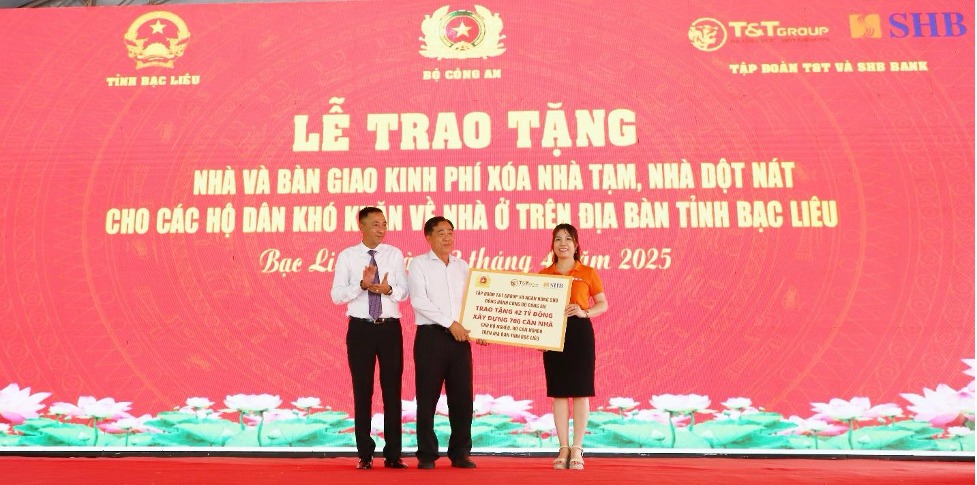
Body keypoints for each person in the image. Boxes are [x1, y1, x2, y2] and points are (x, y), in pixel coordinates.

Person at [330, 207, 409, 470]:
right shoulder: (347, 256)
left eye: (384, 224)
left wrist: (388, 289)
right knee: (362, 391)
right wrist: (361, 286)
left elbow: (404, 292)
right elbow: (336, 295)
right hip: (360, 330)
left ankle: (393, 454)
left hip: (389, 329)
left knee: (392, 391)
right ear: (361, 227)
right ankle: (365, 453)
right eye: (375, 224)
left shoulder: (394, 254)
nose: (381, 229)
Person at [408, 216, 481, 470]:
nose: (447, 237)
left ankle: (460, 452)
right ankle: (427, 454)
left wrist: (481, 328)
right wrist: (450, 323)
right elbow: (419, 301)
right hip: (431, 337)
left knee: (462, 398)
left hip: (460, 339)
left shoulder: (462, 266)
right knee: (427, 397)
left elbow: (473, 302)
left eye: (450, 232)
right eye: (441, 233)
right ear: (428, 237)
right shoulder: (418, 265)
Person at [541, 223, 608, 471]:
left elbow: (602, 303)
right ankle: (563, 448)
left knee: (580, 391)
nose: (563, 244)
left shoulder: (588, 272)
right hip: (552, 333)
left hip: (579, 333)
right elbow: (536, 311)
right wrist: (537, 336)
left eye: (568, 239)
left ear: (576, 244)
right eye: (558, 239)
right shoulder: (544, 274)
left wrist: (584, 312)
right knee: (558, 392)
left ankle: (578, 448)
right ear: (553, 245)